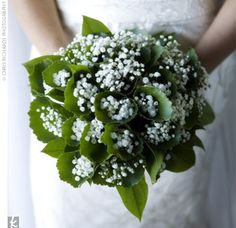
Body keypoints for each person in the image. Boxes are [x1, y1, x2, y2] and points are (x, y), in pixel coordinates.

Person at [10, 0, 236, 227]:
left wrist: (189, 76)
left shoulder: (190, 82)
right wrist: (72, 75)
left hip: (199, 59)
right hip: (66, 52)